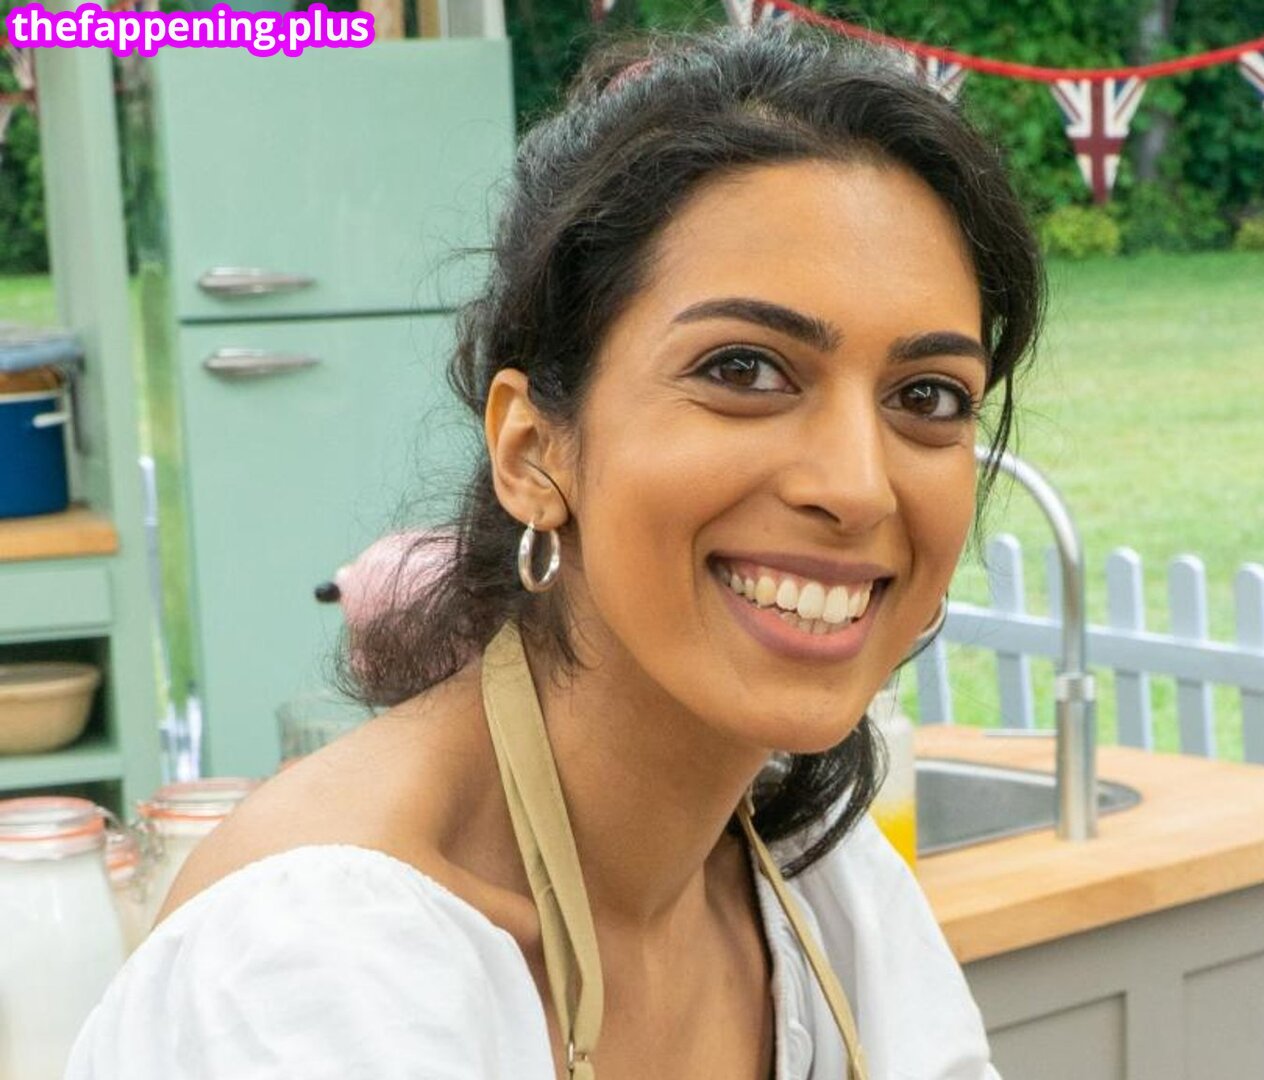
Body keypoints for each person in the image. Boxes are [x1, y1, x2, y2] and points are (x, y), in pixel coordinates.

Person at [66, 23, 1042, 1080]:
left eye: (927, 396)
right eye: (745, 371)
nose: (856, 487)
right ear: (532, 452)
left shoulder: (826, 894)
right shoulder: (315, 968)